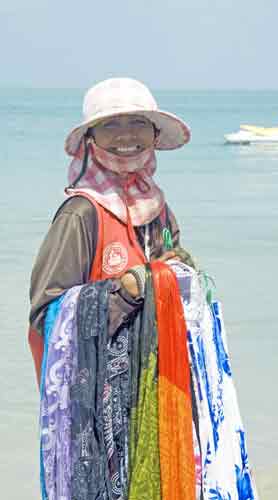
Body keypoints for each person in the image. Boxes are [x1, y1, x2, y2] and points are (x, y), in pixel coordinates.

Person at [28, 77, 192, 385]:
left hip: (150, 383)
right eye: (111, 125)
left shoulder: (159, 209)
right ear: (90, 139)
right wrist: (124, 292)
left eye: (138, 123)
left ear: (154, 135)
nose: (126, 135)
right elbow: (45, 317)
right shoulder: (80, 214)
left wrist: (178, 273)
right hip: (95, 393)